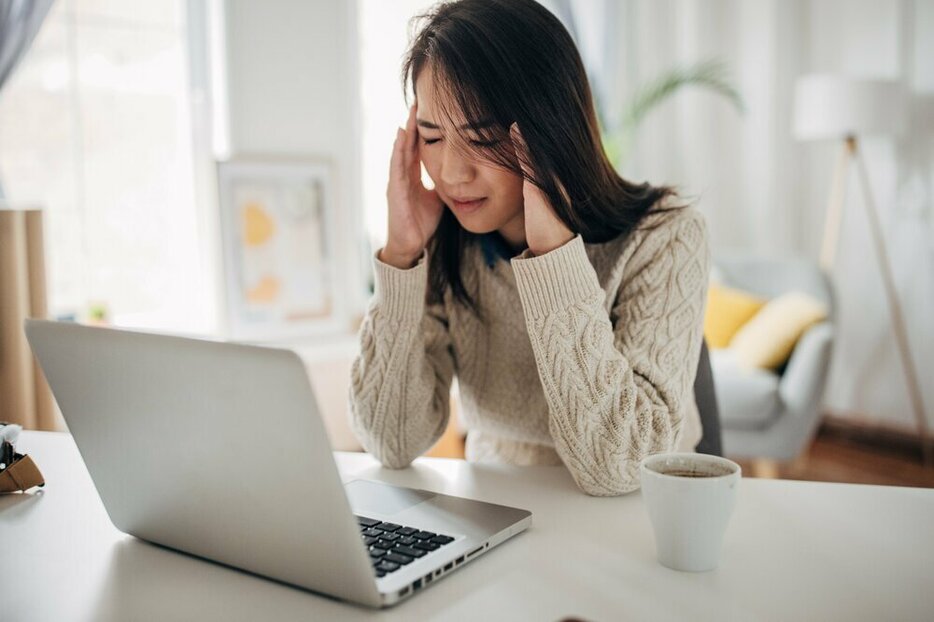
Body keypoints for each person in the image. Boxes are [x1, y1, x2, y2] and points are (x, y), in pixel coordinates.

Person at [349, 0, 709, 496]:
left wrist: (553, 257)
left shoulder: (665, 236)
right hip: (498, 511)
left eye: (482, 138)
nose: (452, 173)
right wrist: (402, 254)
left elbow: (622, 466)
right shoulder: (444, 244)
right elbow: (391, 441)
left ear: (551, 130)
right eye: (431, 136)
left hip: (639, 516)